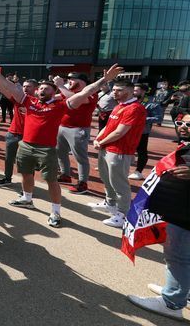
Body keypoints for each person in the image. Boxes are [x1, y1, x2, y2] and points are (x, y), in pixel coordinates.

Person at [0, 63, 123, 228]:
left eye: (46, 89)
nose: (42, 91)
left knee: (51, 181)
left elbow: (85, 92)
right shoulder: (29, 101)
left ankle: (55, 212)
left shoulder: (61, 105)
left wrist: (104, 79)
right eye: (40, 89)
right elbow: (11, 88)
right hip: (25, 145)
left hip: (46, 149)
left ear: (55, 93)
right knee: (26, 174)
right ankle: (26, 198)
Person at [126, 113, 190, 320]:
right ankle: (183, 291)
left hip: (185, 217)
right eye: (180, 122)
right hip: (179, 210)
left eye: (189, 124)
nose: (183, 127)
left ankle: (172, 302)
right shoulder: (186, 144)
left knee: (177, 257)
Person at [89, 80, 146, 228]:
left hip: (120, 151)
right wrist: (98, 138)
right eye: (114, 89)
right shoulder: (119, 106)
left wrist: (101, 142)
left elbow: (120, 132)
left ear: (130, 91)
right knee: (106, 179)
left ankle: (123, 214)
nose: (114, 92)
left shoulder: (134, 108)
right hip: (107, 148)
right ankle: (110, 203)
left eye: (119, 90)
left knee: (119, 184)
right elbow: (108, 126)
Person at [53, 72, 99, 194]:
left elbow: (73, 99)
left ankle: (83, 182)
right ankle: (65, 174)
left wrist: (61, 86)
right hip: (62, 126)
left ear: (82, 82)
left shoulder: (91, 93)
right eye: (68, 80)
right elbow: (53, 97)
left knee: (80, 156)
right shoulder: (68, 92)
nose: (69, 82)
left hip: (78, 129)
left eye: (72, 80)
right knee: (60, 152)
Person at [0, 79, 38, 187]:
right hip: (13, 133)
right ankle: (7, 178)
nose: (25, 88)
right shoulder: (19, 99)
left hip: (28, 137)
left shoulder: (39, 102)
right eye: (24, 86)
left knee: (28, 162)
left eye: (29, 86)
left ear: (36, 88)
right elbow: (3, 89)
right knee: (9, 158)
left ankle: (28, 187)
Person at [129, 83, 164, 180]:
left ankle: (138, 171)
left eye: (136, 90)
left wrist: (142, 119)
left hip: (142, 132)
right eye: (133, 90)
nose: (133, 92)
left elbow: (159, 118)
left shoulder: (151, 103)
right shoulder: (130, 100)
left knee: (141, 151)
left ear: (143, 91)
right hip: (127, 130)